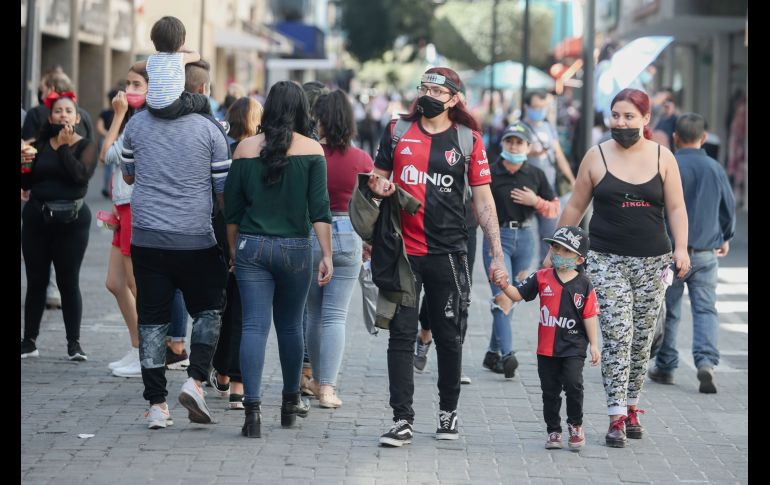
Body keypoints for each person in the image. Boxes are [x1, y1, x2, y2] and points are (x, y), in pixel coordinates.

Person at [368, 67, 507, 447]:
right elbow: (375, 181)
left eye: (436, 90)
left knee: (449, 337)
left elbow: (483, 200)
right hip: (402, 253)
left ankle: (448, 413)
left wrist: (496, 253)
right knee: (400, 335)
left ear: (454, 99)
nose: (427, 95)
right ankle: (402, 419)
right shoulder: (397, 132)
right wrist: (378, 191)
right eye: (423, 88)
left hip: (449, 253)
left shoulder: (468, 140)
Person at [550, 88, 690, 448]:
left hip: (653, 263)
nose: (621, 123)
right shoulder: (596, 157)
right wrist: (557, 249)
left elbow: (675, 208)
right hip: (605, 259)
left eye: (629, 117)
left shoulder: (663, 157)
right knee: (617, 334)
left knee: (642, 341)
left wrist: (682, 248)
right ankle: (614, 416)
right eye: (615, 115)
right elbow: (575, 208)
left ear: (645, 120)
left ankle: (631, 407)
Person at [120, 59, 230, 429]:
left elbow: (128, 175)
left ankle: (156, 406)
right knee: (209, 311)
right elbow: (222, 193)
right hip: (196, 239)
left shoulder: (135, 125)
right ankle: (196, 380)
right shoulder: (210, 131)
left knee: (152, 321)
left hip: (147, 238)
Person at [224, 81, 333, 438]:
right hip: (295, 249)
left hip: (251, 248)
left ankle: (251, 412)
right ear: (303, 109)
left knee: (253, 327)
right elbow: (320, 210)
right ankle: (288, 403)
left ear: (268, 108)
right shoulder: (312, 150)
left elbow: (232, 213)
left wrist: (232, 251)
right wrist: (327, 254)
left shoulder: (243, 149)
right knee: (289, 326)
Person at [648, 112, 736, 394]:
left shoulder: (668, 165)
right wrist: (726, 236)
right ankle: (706, 363)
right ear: (704, 138)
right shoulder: (714, 168)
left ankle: (666, 365)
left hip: (671, 252)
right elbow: (728, 206)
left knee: (670, 310)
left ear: (674, 138)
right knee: (705, 309)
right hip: (706, 252)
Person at [493, 225, 600, 451]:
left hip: (574, 347)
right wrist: (504, 285)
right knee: (549, 391)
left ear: (579, 259)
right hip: (547, 349)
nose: (558, 254)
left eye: (565, 251)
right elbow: (518, 295)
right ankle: (553, 430)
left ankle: (575, 424)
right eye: (555, 248)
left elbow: (589, 315)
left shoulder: (584, 284)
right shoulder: (541, 277)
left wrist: (594, 345)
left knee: (573, 384)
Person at [302, 90, 373, 409]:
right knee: (335, 316)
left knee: (313, 314)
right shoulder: (361, 160)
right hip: (348, 235)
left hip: (311, 233)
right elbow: (371, 206)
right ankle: (327, 387)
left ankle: (315, 379)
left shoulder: (308, 153)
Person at [21, 91, 97, 360]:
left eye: (68, 111)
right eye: (57, 111)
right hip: (36, 220)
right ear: (50, 116)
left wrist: (64, 147)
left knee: (68, 281)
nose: (62, 114)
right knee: (36, 281)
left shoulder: (85, 144)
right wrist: (24, 165)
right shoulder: (38, 144)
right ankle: (29, 340)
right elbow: (27, 185)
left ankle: (73, 344)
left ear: (77, 117)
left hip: (72, 223)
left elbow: (80, 176)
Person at [481, 121, 560, 378]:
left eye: (519, 142)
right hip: (498, 238)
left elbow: (554, 208)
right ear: (502, 144)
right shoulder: (490, 173)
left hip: (526, 238)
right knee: (502, 295)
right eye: (509, 141)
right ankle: (507, 355)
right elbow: (479, 206)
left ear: (528, 146)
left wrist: (535, 201)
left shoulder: (535, 174)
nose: (513, 146)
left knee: (513, 297)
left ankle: (493, 353)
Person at [208, 95, 264, 410]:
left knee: (220, 308)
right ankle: (237, 383)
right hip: (249, 237)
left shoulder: (222, 151)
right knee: (244, 312)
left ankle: (223, 373)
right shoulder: (260, 155)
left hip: (217, 235)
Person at [520, 90, 576, 264]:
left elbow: (559, 156)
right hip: (524, 189)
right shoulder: (519, 127)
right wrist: (529, 151)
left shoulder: (549, 127)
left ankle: (542, 273)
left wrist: (572, 180)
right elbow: (507, 153)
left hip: (548, 189)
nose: (540, 111)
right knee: (524, 235)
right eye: (536, 107)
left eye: (543, 107)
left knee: (549, 235)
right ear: (526, 107)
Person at [133, 16, 210, 120]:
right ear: (181, 41)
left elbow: (135, 66)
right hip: (173, 107)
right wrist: (184, 48)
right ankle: (215, 123)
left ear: (154, 41)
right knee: (203, 100)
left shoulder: (151, 60)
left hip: (152, 107)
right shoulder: (181, 58)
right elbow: (197, 55)